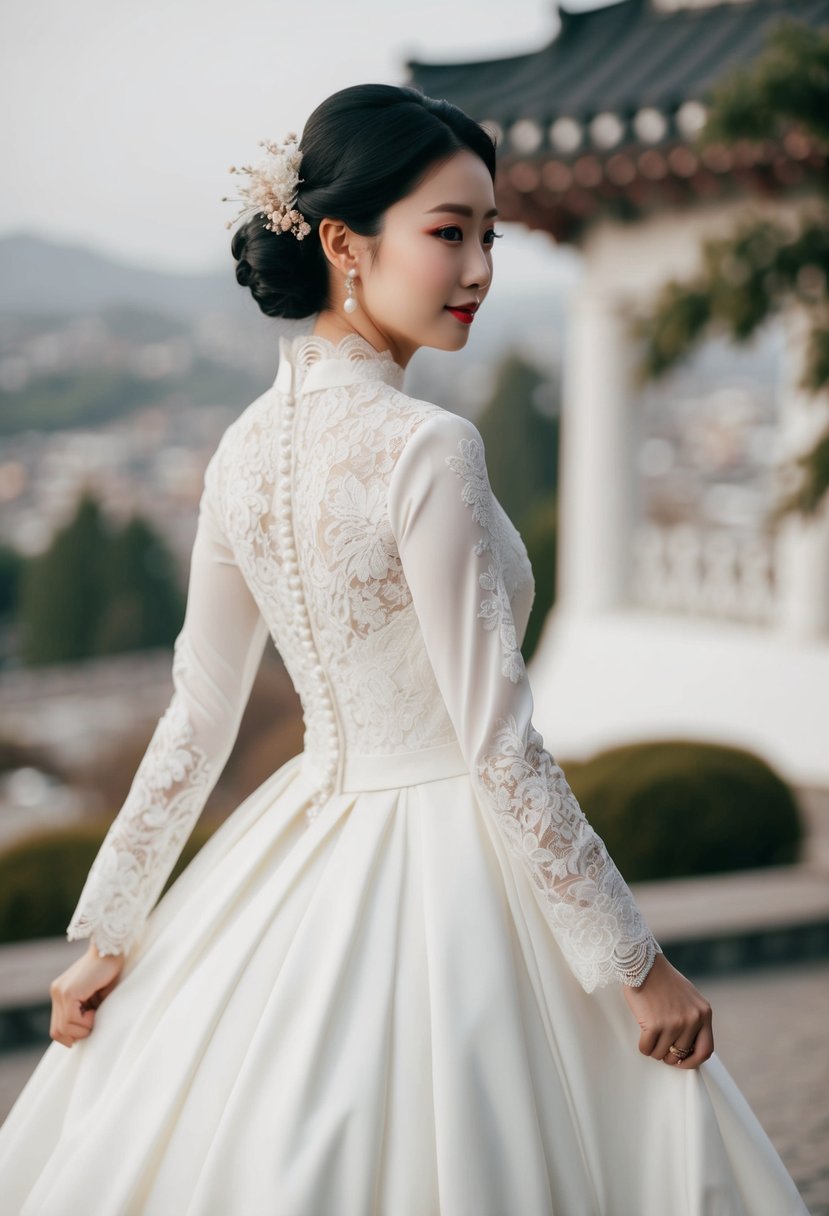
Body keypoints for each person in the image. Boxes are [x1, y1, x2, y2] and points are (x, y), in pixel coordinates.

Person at [0, 83, 809, 1215]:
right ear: (343, 240)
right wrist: (637, 966)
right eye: (448, 232)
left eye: (488, 234)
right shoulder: (428, 445)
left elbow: (199, 716)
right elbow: (498, 739)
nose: (479, 267)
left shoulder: (238, 451)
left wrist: (111, 930)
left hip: (300, 848)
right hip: (452, 864)